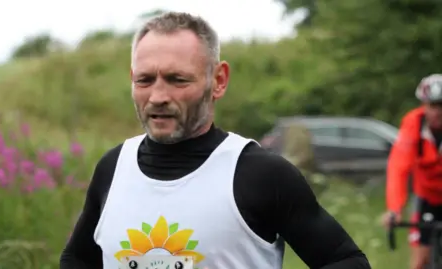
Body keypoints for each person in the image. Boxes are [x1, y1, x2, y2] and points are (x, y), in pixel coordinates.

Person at [60, 11, 370, 269]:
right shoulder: (113, 168)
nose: (157, 96)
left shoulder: (261, 175)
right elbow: (77, 259)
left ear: (218, 81)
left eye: (177, 79)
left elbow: (346, 261)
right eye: (145, 80)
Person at [382, 74, 442, 269]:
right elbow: (398, 166)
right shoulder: (413, 124)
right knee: (419, 262)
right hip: (426, 196)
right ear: (424, 105)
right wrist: (395, 208)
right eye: (433, 105)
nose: (438, 112)